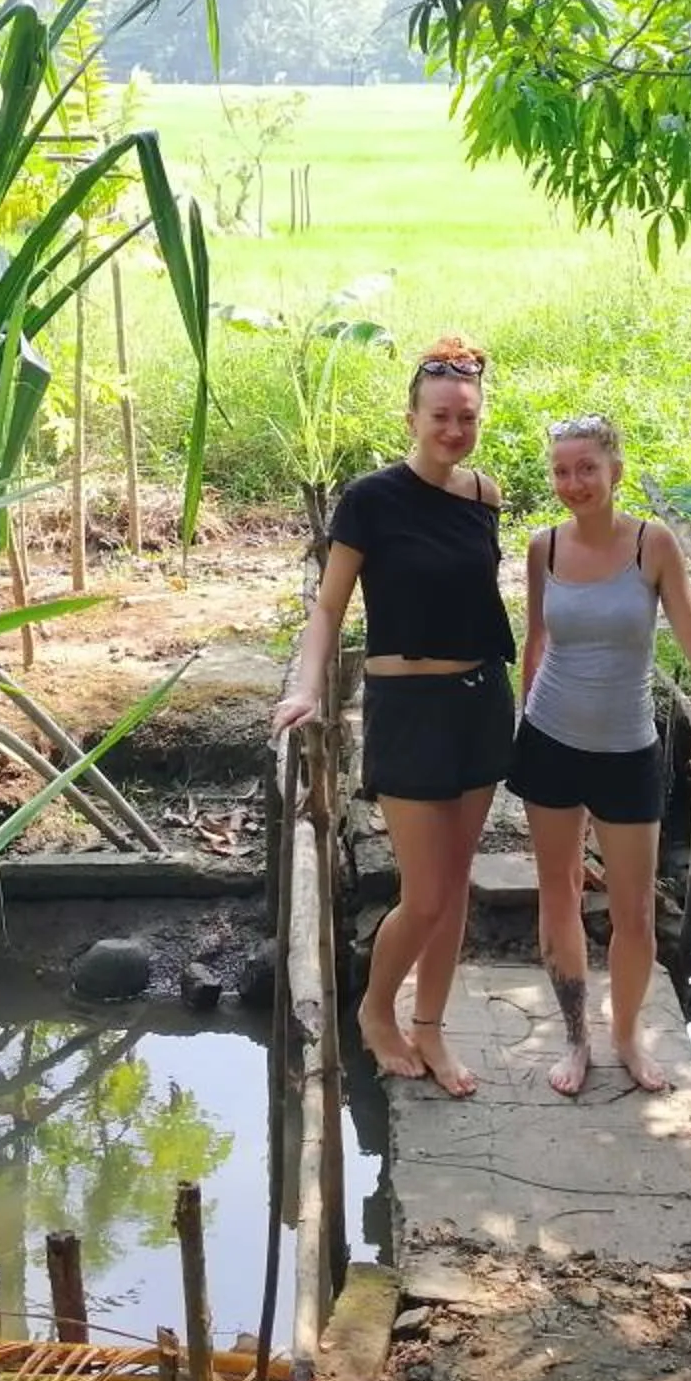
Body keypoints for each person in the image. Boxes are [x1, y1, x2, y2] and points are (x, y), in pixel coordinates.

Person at [514, 414, 691, 1097]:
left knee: (635, 910)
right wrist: (525, 720)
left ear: (614, 469)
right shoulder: (542, 548)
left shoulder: (653, 545)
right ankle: (577, 1038)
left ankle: (626, 1037)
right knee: (557, 892)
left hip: (626, 750)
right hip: (550, 741)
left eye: (587, 468)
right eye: (561, 470)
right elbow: (535, 642)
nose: (574, 483)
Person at [272, 334, 511, 1097]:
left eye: (466, 417)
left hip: (481, 699)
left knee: (459, 882)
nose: (453, 430)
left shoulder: (485, 495)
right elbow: (329, 607)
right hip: (407, 707)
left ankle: (433, 1030)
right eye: (440, 415)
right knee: (428, 890)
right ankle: (379, 1011)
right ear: (412, 415)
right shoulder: (369, 500)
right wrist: (307, 689)